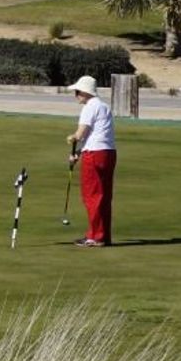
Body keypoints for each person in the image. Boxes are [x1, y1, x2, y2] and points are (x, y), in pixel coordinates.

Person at [66, 75, 116, 247]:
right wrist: (79, 152)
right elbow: (96, 136)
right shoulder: (104, 106)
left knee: (92, 195)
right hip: (108, 153)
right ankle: (103, 235)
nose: (76, 95)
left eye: (78, 92)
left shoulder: (89, 107)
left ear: (86, 92)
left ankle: (95, 236)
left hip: (94, 155)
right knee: (104, 195)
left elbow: (80, 134)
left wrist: (72, 138)